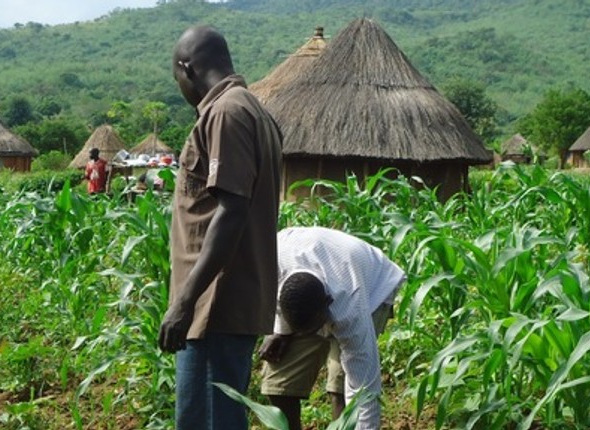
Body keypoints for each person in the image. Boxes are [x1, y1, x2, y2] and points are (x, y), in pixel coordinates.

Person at [157, 25, 282, 430]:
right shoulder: (251, 110)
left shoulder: (227, 113)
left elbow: (232, 210)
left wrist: (185, 301)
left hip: (215, 305)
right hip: (218, 305)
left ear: (186, 68)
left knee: (207, 421)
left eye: (177, 77)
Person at [259, 227, 407, 430]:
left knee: (342, 389)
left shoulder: (350, 309)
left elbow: (364, 391)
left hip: (373, 288)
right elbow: (277, 296)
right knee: (278, 384)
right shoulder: (271, 263)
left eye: (315, 330)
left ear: (328, 304)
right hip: (303, 266)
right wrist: (281, 331)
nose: (316, 336)